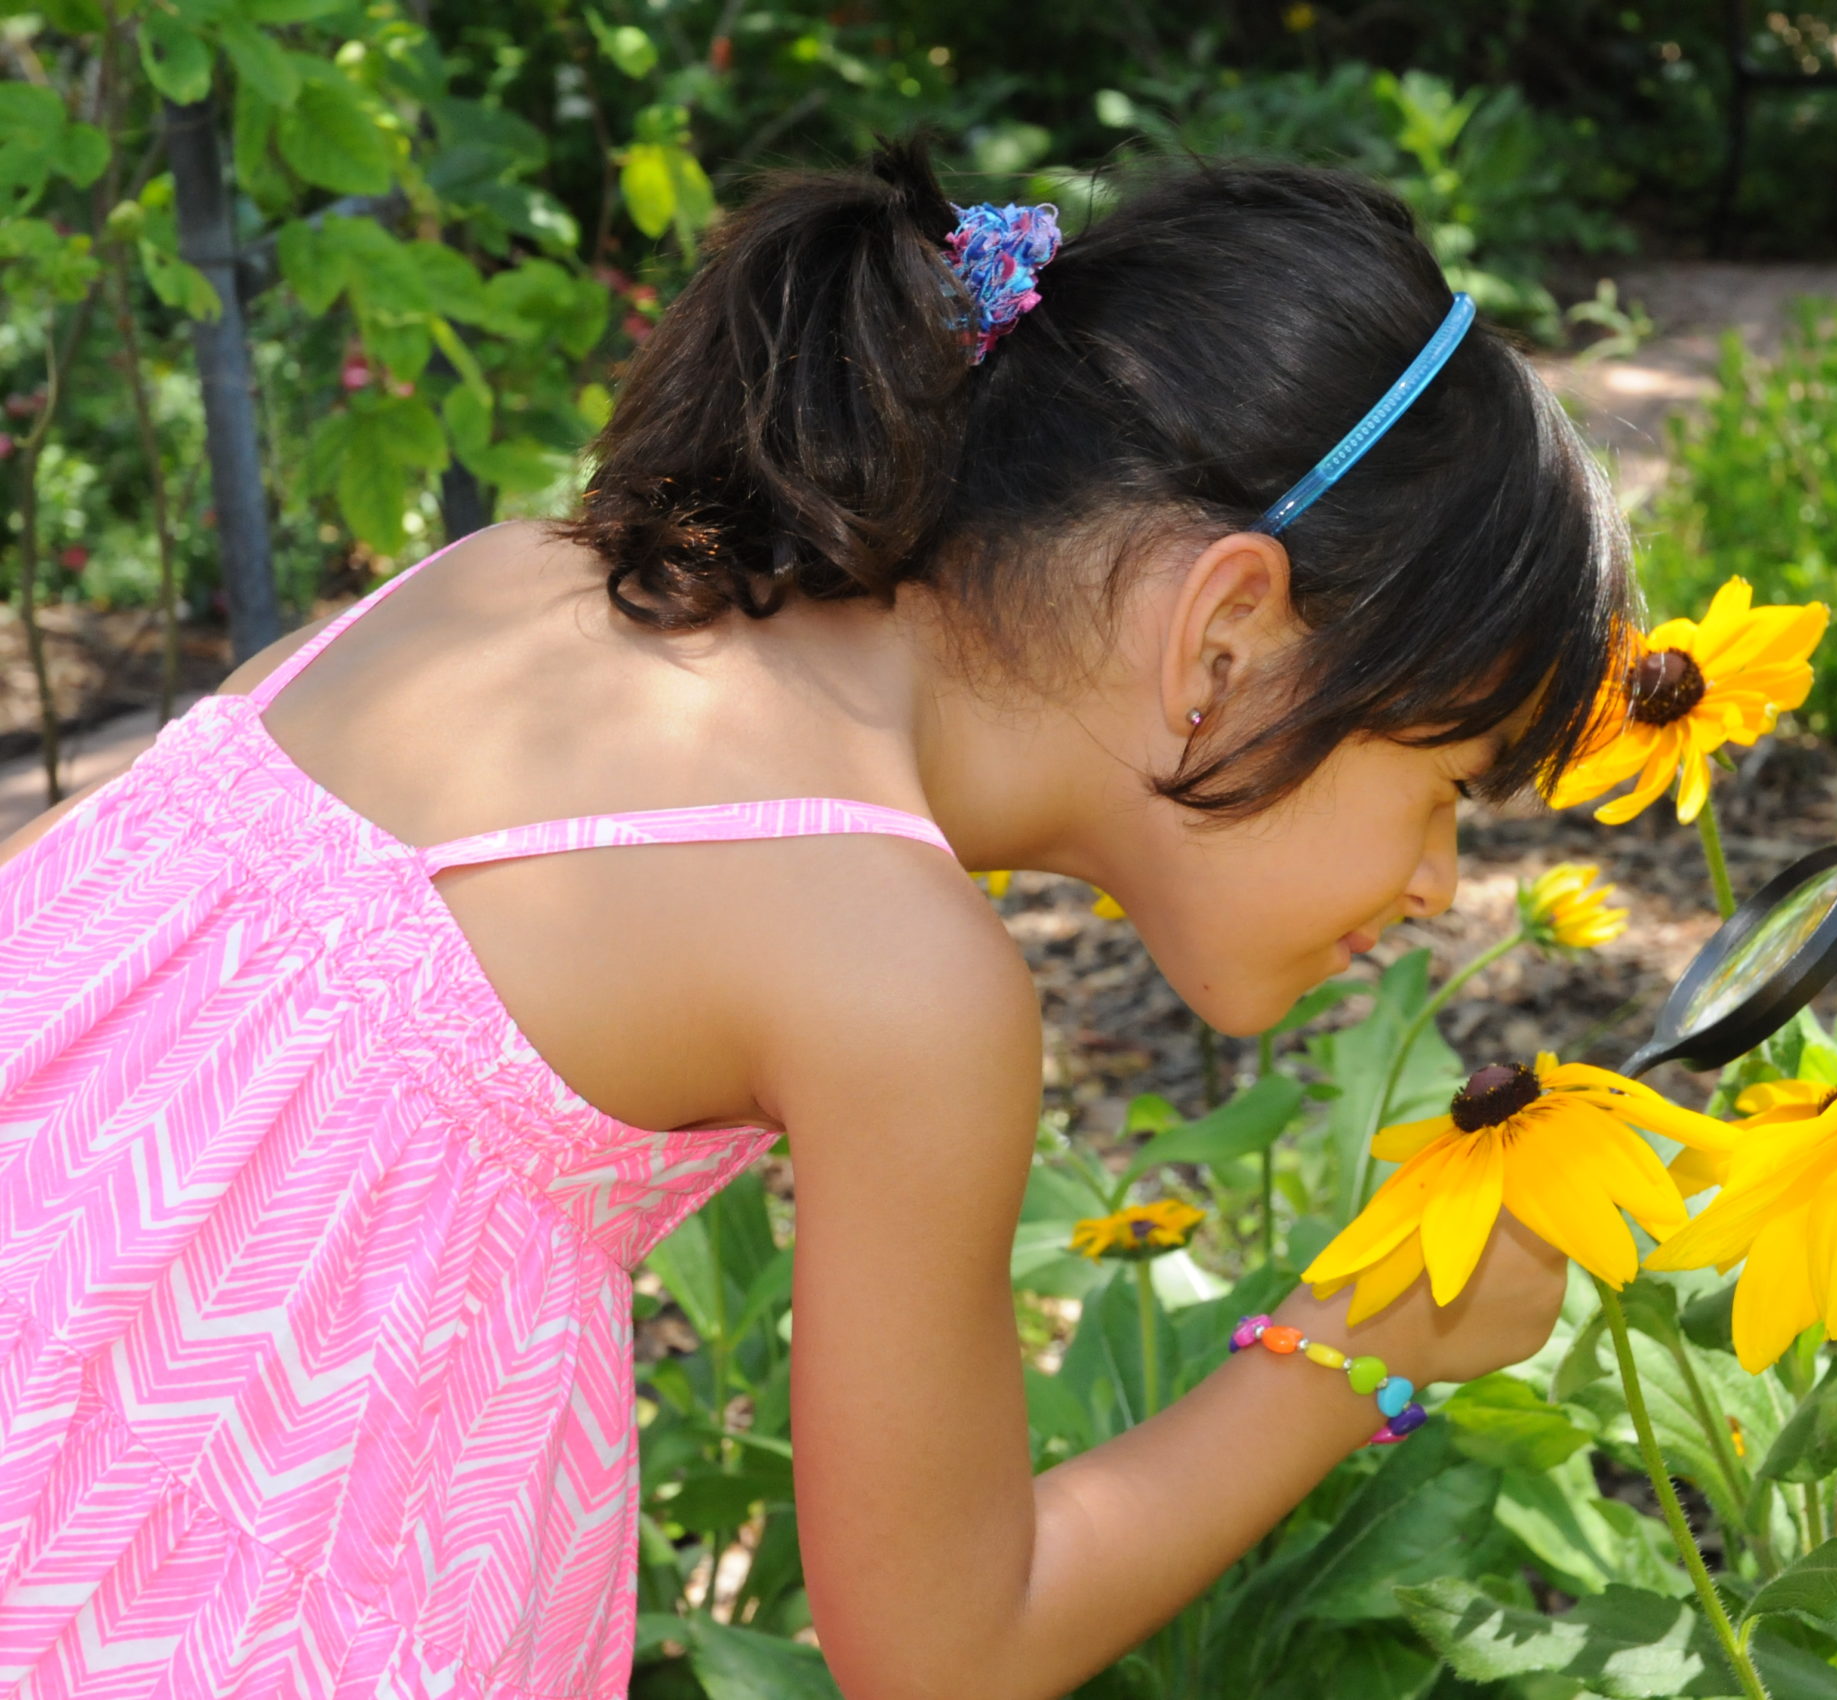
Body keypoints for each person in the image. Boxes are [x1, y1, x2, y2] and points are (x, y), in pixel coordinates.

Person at [0, 140, 1626, 1698]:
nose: (1432, 889)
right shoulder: (900, 977)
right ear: (1226, 639)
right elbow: (947, 1649)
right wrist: (1361, 1349)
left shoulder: (492, 590)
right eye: (1450, 786)